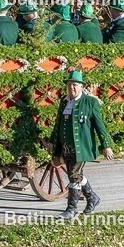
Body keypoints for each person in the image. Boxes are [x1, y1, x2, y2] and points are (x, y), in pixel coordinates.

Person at [51, 70, 114, 219]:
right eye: (69, 85)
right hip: (65, 146)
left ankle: (71, 209)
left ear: (81, 86)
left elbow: (100, 125)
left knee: (73, 176)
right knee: (77, 175)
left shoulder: (90, 102)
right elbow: (58, 124)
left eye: (75, 85)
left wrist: (106, 145)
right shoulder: (64, 102)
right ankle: (92, 198)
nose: (71, 88)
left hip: (82, 147)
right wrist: (53, 142)